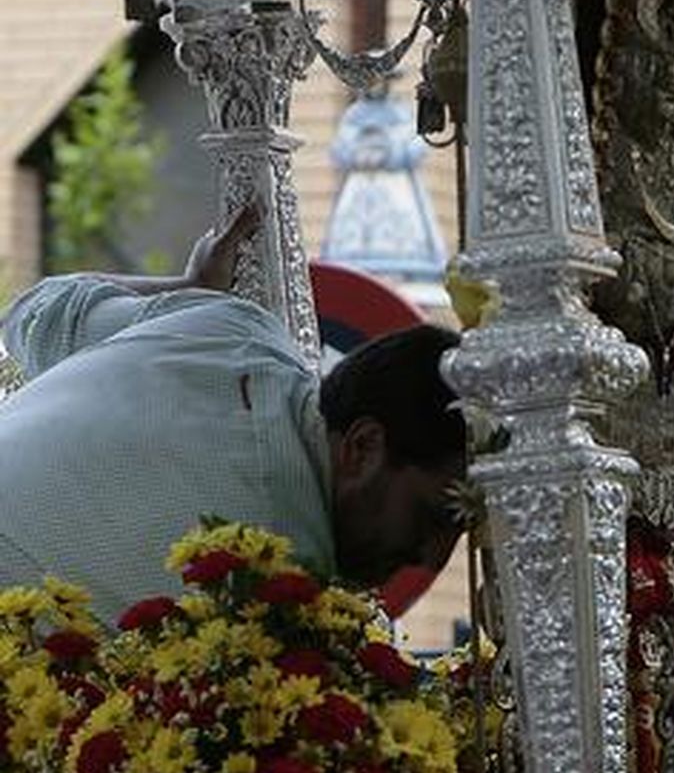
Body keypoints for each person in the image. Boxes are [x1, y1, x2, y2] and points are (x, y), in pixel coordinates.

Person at [0, 204, 466, 624]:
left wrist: (189, 293)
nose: (433, 557)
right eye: (431, 518)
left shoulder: (231, 326)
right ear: (364, 447)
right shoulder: (276, 591)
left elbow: (33, 314)